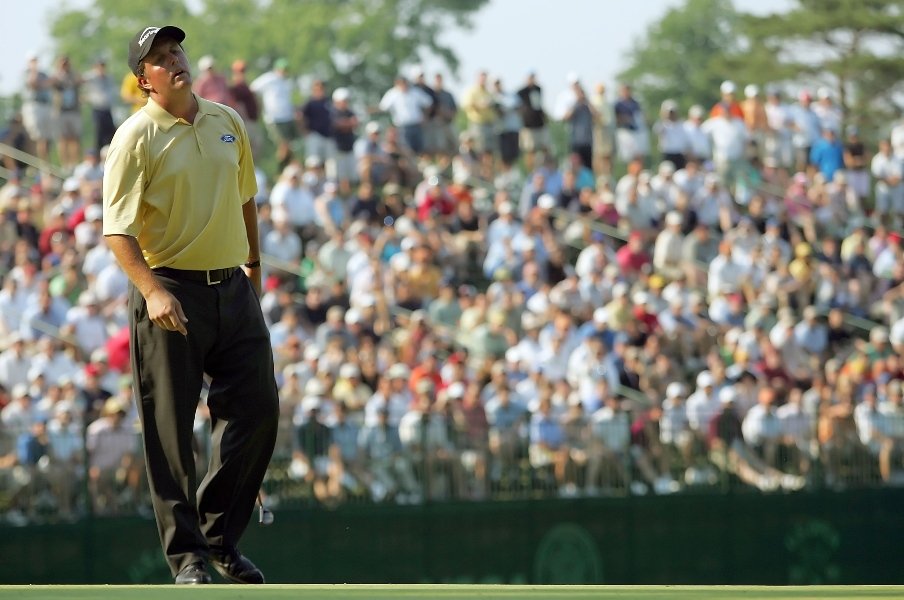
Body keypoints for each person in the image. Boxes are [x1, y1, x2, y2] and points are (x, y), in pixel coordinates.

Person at [102, 25, 278, 585]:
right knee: (170, 432)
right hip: (170, 291)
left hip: (233, 285)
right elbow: (117, 232)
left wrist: (253, 269)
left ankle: (221, 538)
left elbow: (245, 198)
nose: (174, 60)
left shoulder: (228, 121)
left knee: (258, 410)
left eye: (176, 50)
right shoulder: (134, 137)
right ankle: (188, 558)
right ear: (144, 80)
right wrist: (152, 292)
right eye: (159, 58)